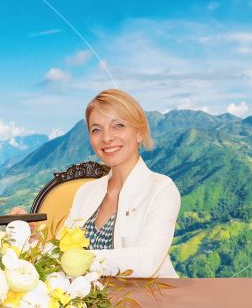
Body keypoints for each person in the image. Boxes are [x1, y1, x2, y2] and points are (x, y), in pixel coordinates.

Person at [66, 89, 181, 278]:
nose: (106, 137)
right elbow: (62, 249)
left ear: (139, 133)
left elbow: (147, 262)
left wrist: (78, 260)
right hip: (90, 305)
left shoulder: (162, 190)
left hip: (152, 303)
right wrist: (34, 237)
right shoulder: (85, 192)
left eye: (118, 125)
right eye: (96, 129)